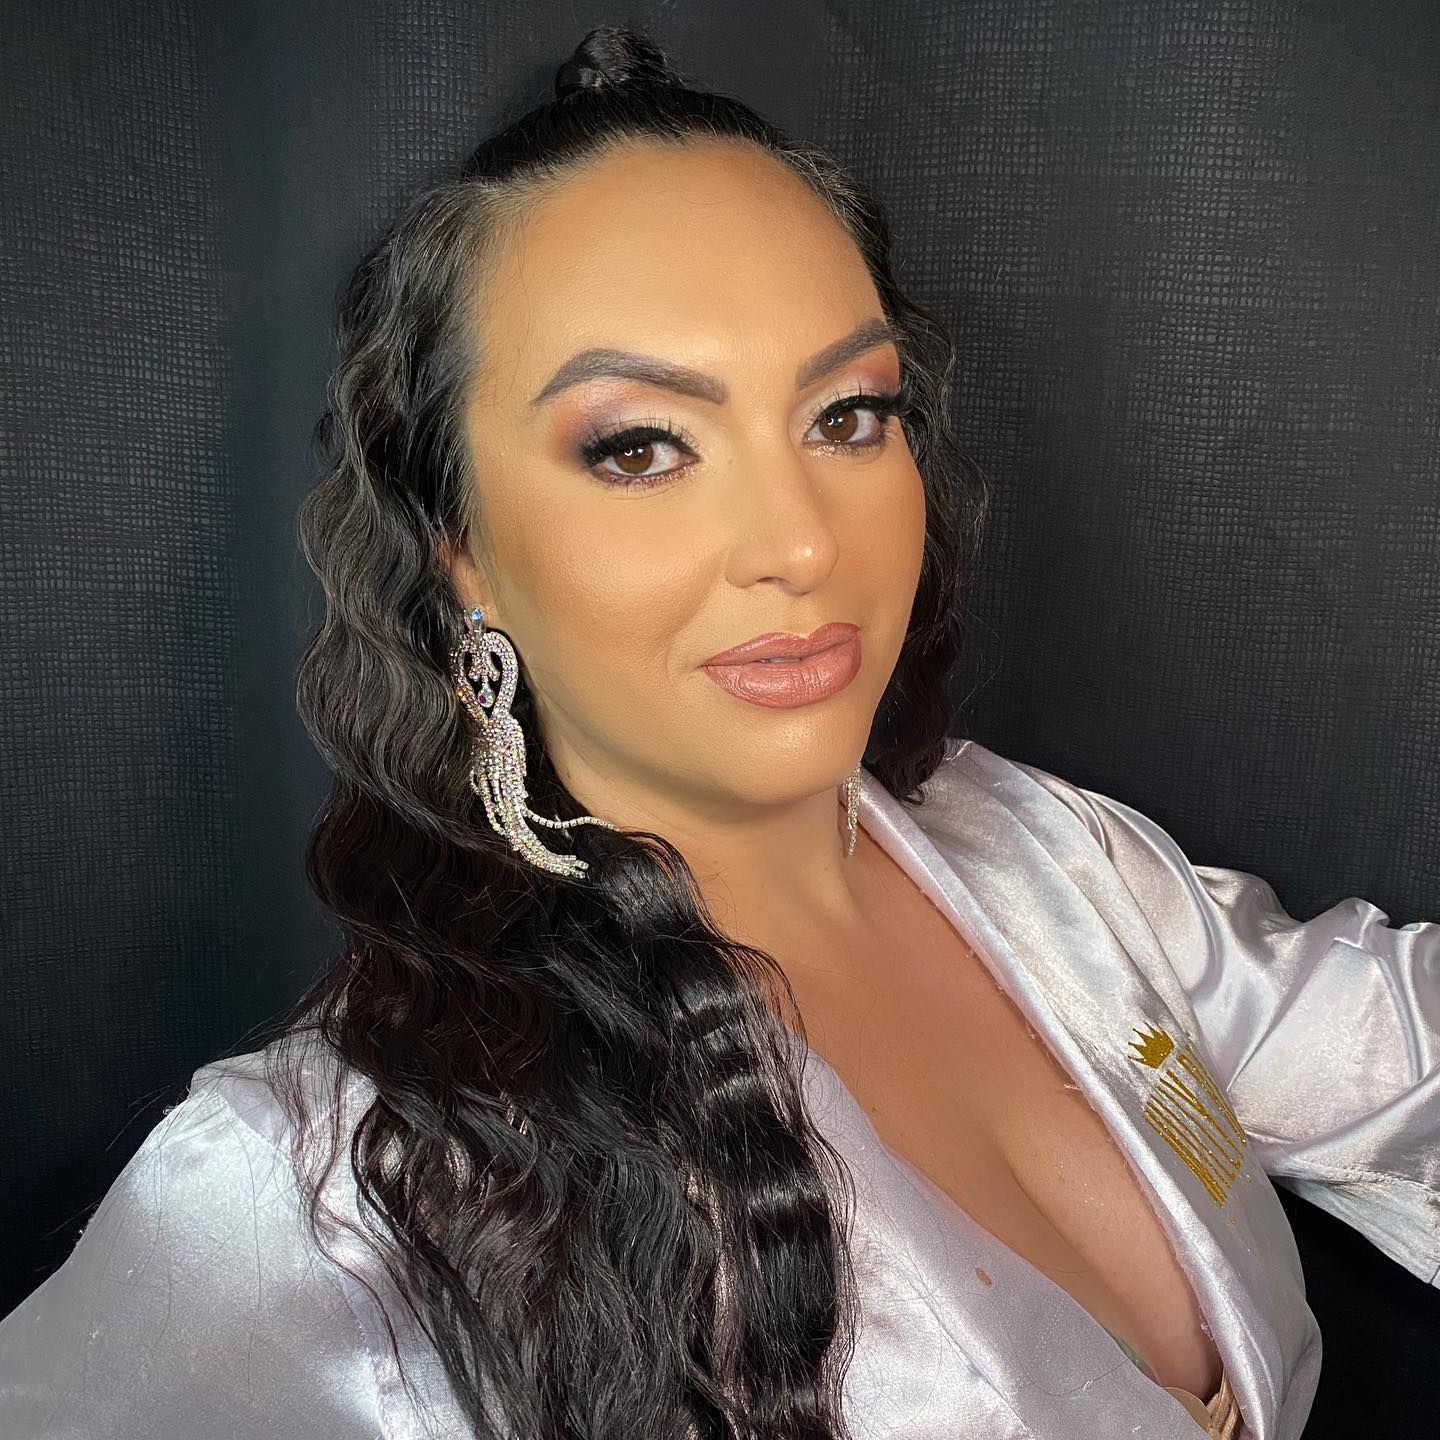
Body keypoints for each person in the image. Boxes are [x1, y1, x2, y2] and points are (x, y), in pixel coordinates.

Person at [1, 22, 1435, 1440]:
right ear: (458, 548)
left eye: (848, 417)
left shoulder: (1047, 860)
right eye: (641, 448)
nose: (800, 543)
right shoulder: (336, 1186)